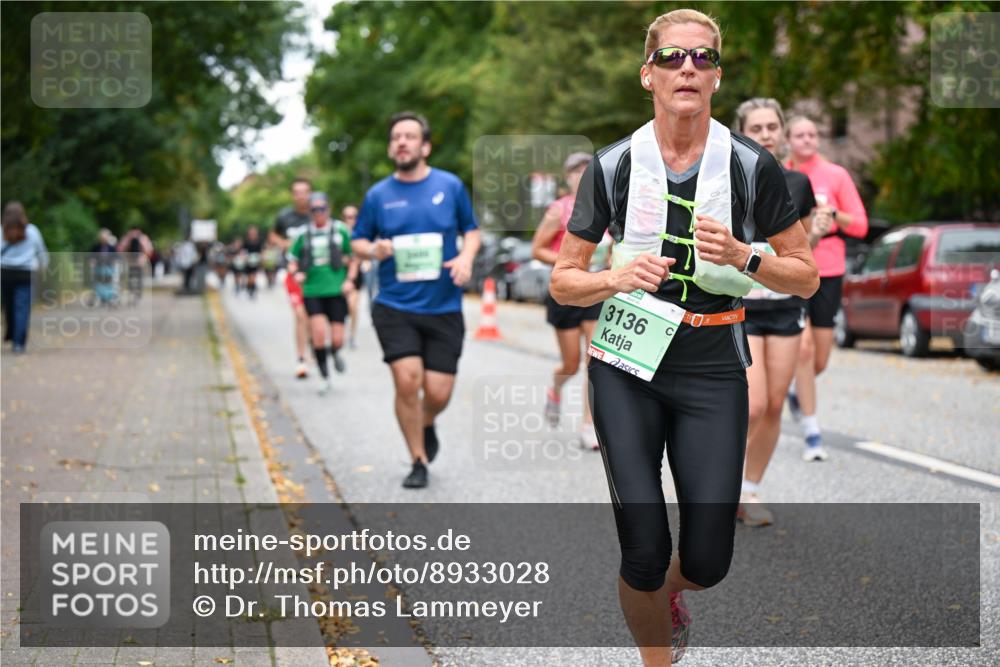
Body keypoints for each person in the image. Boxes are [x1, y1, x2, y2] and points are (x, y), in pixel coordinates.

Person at [549, 10, 818, 665]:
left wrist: (744, 255)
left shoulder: (751, 165)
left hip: (712, 363)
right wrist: (614, 278)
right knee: (642, 549)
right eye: (672, 57)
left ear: (717, 78)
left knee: (707, 560)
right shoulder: (612, 165)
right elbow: (562, 281)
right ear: (649, 75)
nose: (688, 68)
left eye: (703, 58)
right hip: (626, 363)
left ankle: (668, 592)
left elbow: (805, 275)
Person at [351, 111, 481, 489]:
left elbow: (471, 231)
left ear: (425, 146)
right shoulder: (378, 195)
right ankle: (417, 460)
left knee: (438, 392)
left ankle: (426, 420)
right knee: (407, 382)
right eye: (396, 137)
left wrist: (465, 258)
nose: (402, 142)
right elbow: (357, 241)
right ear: (391, 148)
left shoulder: (450, 186)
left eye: (409, 136)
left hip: (444, 306)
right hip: (395, 305)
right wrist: (374, 249)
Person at [733, 98, 817, 526]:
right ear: (741, 133)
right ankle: (718, 486)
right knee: (752, 404)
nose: (765, 134)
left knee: (774, 405)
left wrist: (817, 234)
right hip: (741, 305)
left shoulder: (799, 184)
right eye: (756, 128)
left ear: (782, 132)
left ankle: (748, 491)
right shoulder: (726, 181)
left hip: (785, 308)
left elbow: (803, 255)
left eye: (771, 127)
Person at [785, 115, 868, 461]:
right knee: (802, 350)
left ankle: (792, 389)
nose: (807, 139)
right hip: (791, 270)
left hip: (828, 270)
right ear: (788, 140)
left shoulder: (836, 175)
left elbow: (860, 226)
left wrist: (832, 213)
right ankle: (813, 433)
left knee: (818, 358)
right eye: (800, 134)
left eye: (812, 134)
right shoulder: (779, 174)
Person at [531, 151, 603, 450]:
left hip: (596, 290)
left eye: (588, 171)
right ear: (568, 178)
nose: (582, 176)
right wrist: (569, 263)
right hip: (566, 292)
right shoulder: (558, 210)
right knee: (571, 364)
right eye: (576, 172)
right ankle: (556, 388)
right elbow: (537, 249)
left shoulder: (606, 208)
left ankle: (588, 425)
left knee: (594, 359)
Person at [288, 193, 356, 395]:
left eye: (322, 209)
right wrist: (296, 273)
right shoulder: (303, 234)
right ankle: (324, 377)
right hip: (313, 291)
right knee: (318, 335)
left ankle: (335, 352)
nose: (319, 213)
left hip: (336, 290)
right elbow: (292, 260)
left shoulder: (340, 230)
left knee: (337, 339)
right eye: (314, 210)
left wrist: (349, 280)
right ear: (309, 212)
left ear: (328, 209)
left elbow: (353, 258)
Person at [270, 178, 314, 379]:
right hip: (292, 273)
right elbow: (272, 235)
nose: (301, 196)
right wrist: (285, 244)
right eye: (297, 192)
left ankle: (315, 346)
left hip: (315, 274)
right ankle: (301, 359)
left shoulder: (317, 214)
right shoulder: (285, 216)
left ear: (310, 193)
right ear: (292, 195)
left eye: (305, 192)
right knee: (300, 315)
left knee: (313, 316)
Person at [1, 201, 49, 353]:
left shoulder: (2, 231)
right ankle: (18, 343)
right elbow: (41, 251)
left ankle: (12, 334)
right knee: (22, 308)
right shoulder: (32, 231)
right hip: (26, 274)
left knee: (9, 307)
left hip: (5, 273)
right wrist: (43, 267)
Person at [340, 204, 367, 348]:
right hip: (340, 274)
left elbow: (367, 251)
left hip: (356, 274)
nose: (351, 219)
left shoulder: (361, 233)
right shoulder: (339, 234)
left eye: (354, 216)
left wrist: (366, 261)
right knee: (340, 307)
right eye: (348, 217)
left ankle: (352, 336)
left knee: (353, 306)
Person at [117, 226, 153, 305]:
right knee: (139, 279)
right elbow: (148, 250)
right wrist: (144, 258)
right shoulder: (143, 238)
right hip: (140, 262)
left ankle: (132, 294)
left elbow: (120, 249)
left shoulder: (127, 238)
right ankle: (137, 295)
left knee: (130, 279)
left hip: (130, 262)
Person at [242, 226, 263, 299]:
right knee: (249, 278)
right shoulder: (246, 242)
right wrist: (245, 257)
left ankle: (252, 290)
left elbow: (261, 252)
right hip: (248, 262)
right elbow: (243, 252)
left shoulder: (259, 242)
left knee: (253, 277)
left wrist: (261, 259)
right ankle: (249, 289)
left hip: (256, 262)